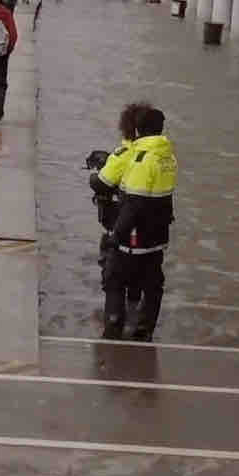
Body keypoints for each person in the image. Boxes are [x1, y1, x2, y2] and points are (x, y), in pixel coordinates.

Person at [98, 107, 177, 341]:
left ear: (138, 129)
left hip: (134, 236)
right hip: (157, 236)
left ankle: (114, 324)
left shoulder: (141, 159)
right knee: (153, 285)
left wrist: (116, 236)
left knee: (114, 278)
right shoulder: (168, 157)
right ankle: (144, 329)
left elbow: (134, 204)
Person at [89, 103, 152, 335]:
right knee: (143, 273)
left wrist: (95, 174)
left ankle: (114, 322)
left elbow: (101, 182)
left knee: (113, 274)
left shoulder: (123, 154)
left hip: (122, 226)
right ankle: (137, 317)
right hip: (149, 231)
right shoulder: (159, 158)